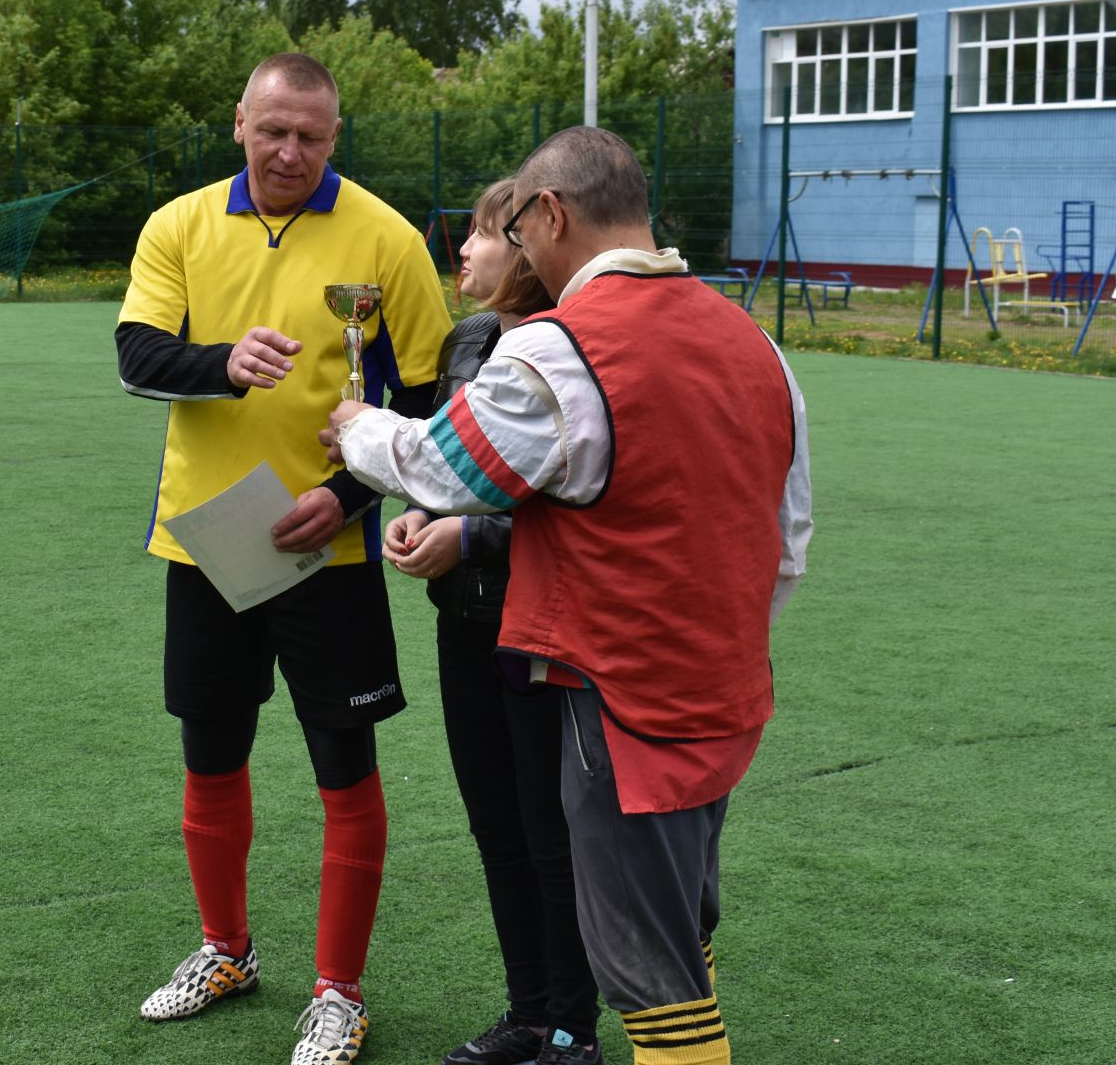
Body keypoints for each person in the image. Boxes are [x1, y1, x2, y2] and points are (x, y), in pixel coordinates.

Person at [324, 127, 813, 1065]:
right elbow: (789, 540)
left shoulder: (561, 349)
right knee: (679, 937)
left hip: (618, 699)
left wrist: (355, 426)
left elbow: (440, 465)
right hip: (724, 692)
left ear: (548, 214)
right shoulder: (752, 339)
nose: (508, 245)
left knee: (654, 986)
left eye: (511, 223)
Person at [114, 52, 451, 1065]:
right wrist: (222, 363)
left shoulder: (387, 238)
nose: (289, 149)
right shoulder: (177, 225)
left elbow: (426, 403)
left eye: (309, 133)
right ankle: (225, 948)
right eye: (272, 130)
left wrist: (347, 493)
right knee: (210, 751)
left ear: (335, 135)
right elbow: (137, 356)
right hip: (207, 541)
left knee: (343, 765)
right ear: (239, 124)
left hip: (331, 550)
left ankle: (339, 992)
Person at [383, 179, 605, 1065]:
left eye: (481, 234)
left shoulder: (573, 349)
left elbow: (582, 512)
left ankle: (571, 1032)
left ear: (530, 244)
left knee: (552, 833)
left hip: (540, 629)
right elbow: (451, 463)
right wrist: (416, 513)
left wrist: (469, 537)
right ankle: (527, 1013)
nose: (465, 251)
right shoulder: (470, 338)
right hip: (463, 626)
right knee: (494, 824)